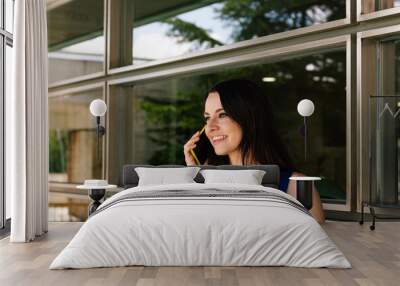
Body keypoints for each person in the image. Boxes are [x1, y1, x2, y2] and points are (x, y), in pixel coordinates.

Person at [183, 79, 325, 223]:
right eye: (207, 118)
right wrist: (194, 176)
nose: (210, 127)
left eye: (223, 115)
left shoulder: (296, 186)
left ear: (249, 118)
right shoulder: (208, 180)